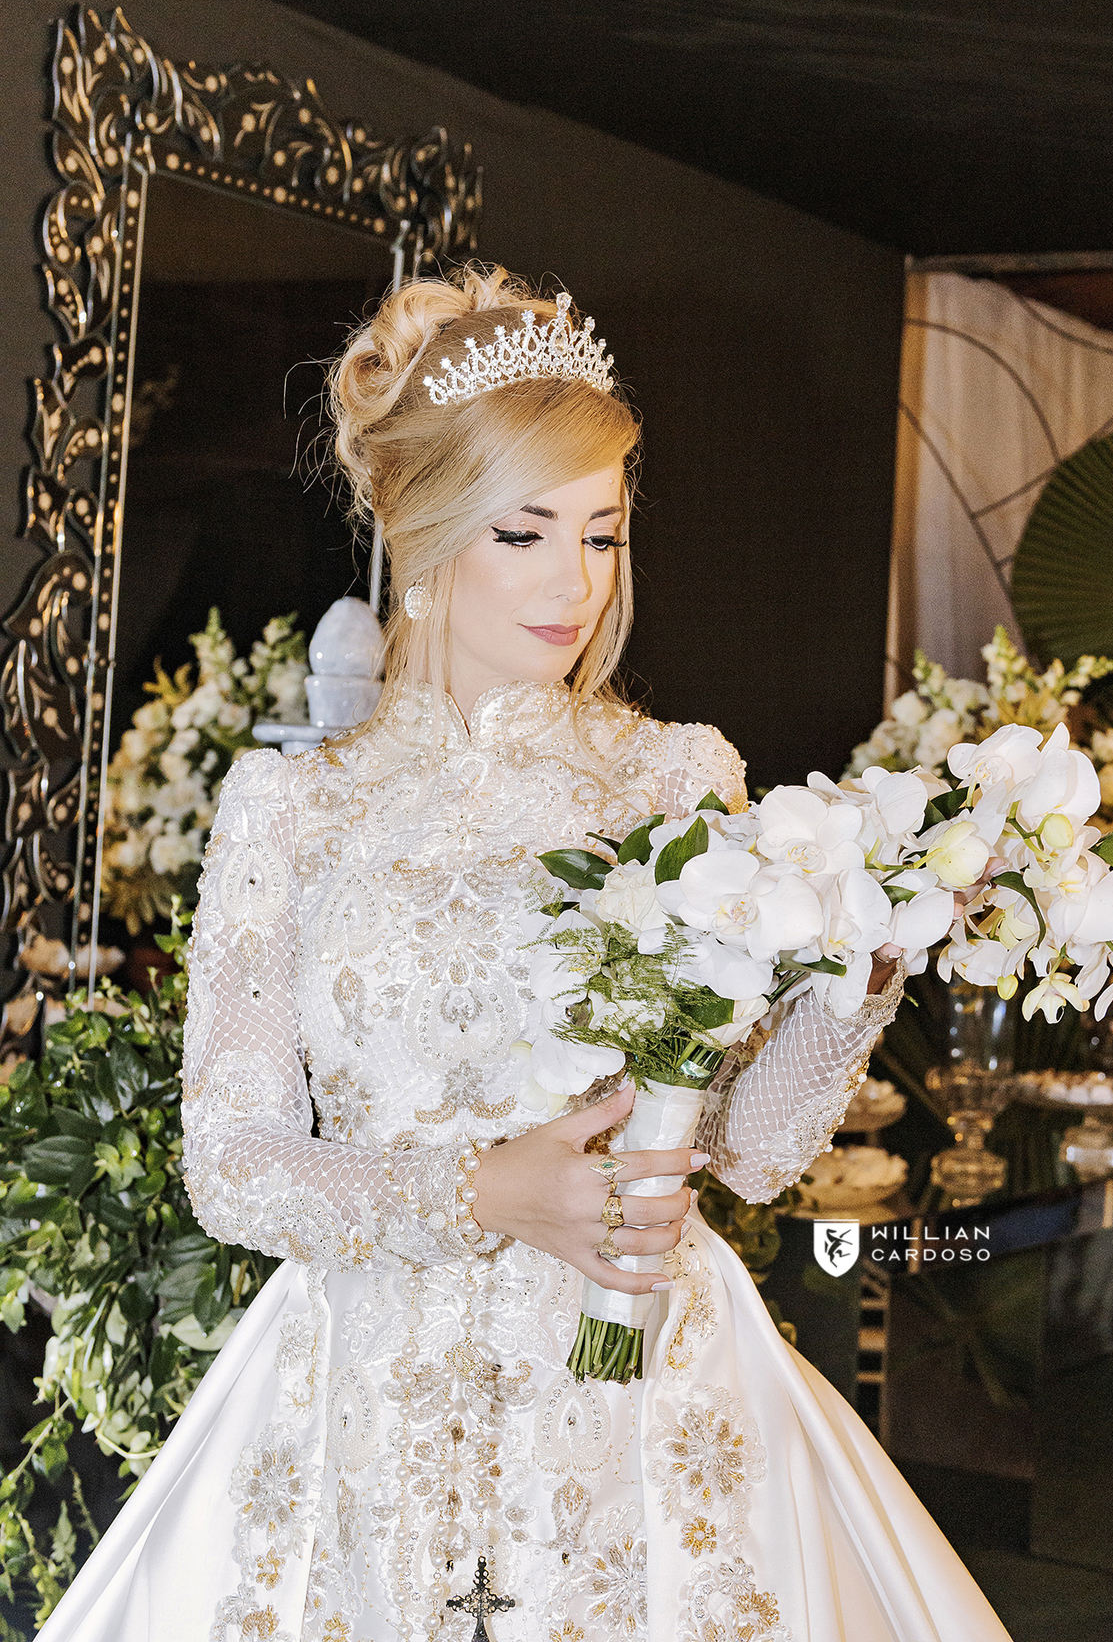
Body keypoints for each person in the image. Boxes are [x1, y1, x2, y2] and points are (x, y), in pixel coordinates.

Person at [41, 267, 1010, 1640]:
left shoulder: (679, 782)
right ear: (423, 532)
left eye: (603, 534)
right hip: (369, 1409)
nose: (576, 582)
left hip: (639, 1401)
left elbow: (747, 1151)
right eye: (525, 531)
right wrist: (484, 1191)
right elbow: (233, 1163)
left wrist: (863, 972)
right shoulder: (295, 811)